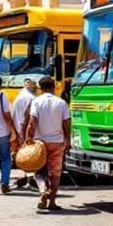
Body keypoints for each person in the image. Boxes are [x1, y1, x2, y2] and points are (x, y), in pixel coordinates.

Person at [26, 76, 71, 211]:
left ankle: (43, 190)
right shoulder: (61, 103)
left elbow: (32, 121)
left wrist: (28, 137)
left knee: (39, 170)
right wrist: (68, 140)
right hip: (57, 142)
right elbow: (67, 124)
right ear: (54, 87)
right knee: (55, 173)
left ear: (40, 88)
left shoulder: (37, 102)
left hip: (40, 143)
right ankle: (52, 202)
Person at [11, 79, 38, 189]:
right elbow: (29, 117)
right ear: (31, 87)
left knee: (24, 155)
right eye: (35, 88)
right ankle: (31, 180)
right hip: (27, 130)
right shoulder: (31, 98)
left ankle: (28, 178)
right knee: (32, 156)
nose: (36, 90)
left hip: (18, 129)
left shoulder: (19, 97)